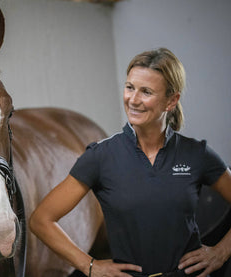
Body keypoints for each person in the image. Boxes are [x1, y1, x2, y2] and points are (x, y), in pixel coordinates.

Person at [30, 48, 231, 277]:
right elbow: (41, 220)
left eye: (146, 92)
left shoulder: (197, 154)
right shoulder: (100, 156)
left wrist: (221, 252)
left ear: (171, 100)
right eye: (129, 87)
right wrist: (90, 265)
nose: (133, 100)